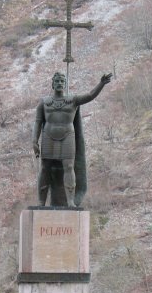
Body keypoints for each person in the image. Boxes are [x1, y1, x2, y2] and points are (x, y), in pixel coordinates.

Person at [33, 72, 112, 207]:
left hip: (67, 136)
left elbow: (90, 95)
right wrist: (34, 140)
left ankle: (70, 201)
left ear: (65, 84)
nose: (59, 83)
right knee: (45, 168)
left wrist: (101, 84)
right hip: (48, 136)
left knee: (69, 167)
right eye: (57, 81)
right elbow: (38, 122)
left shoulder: (73, 100)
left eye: (62, 81)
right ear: (52, 84)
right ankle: (41, 202)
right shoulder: (44, 102)